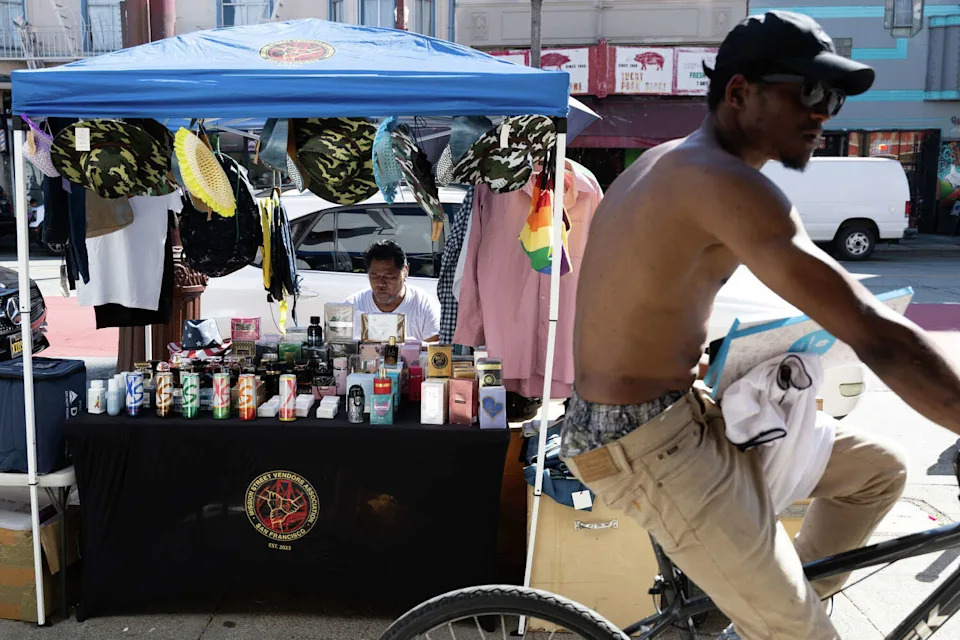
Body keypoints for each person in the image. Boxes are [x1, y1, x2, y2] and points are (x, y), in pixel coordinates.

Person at [562, 11, 960, 639]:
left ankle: (765, 617)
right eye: (807, 91)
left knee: (880, 470)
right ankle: (782, 623)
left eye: (830, 96)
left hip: (676, 414)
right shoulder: (720, 180)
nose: (823, 112)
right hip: (643, 442)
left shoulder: (672, 162)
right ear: (741, 92)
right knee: (801, 636)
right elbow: (873, 330)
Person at [345, 240, 441, 342]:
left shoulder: (425, 306)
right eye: (374, 277)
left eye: (389, 277)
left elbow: (434, 350)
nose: (381, 283)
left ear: (405, 272)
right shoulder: (351, 306)